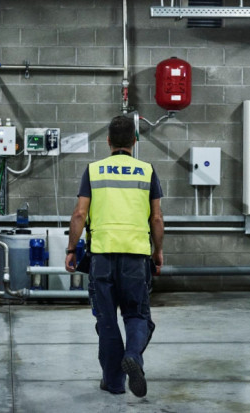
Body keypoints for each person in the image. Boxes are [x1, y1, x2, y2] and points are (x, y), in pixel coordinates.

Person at [65, 115, 164, 398]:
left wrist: (71, 249)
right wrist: (158, 251)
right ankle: (133, 355)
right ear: (135, 140)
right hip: (136, 257)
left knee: (106, 320)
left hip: (102, 257)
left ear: (108, 141)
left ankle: (114, 382)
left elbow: (79, 214)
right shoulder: (147, 171)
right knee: (136, 315)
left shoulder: (94, 170)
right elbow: (156, 218)